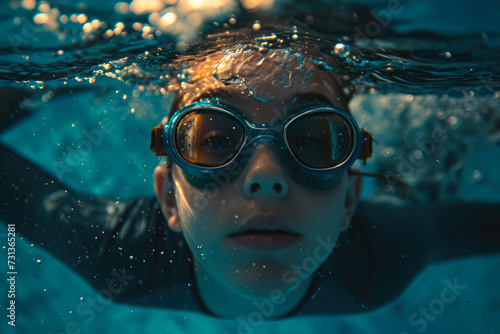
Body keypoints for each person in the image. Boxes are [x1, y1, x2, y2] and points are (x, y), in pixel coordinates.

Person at [0, 21, 499, 320]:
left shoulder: (125, 266)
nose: (264, 176)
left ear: (350, 200)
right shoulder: (374, 269)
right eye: (215, 140)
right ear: (168, 198)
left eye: (310, 141)